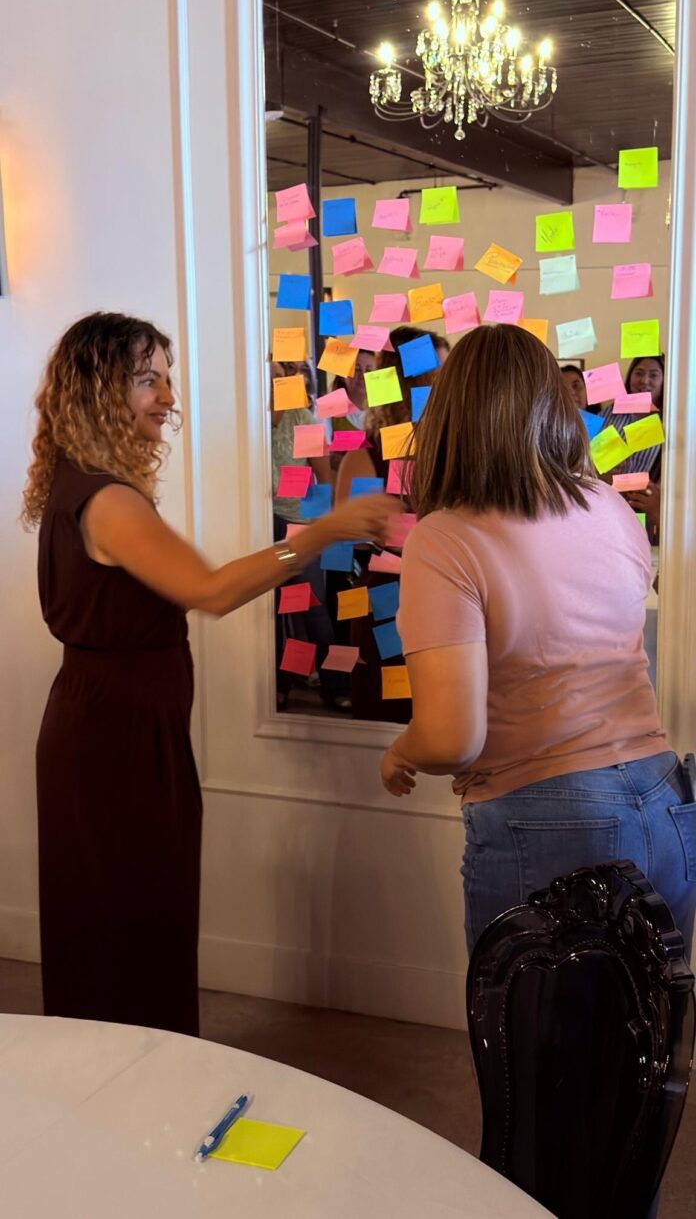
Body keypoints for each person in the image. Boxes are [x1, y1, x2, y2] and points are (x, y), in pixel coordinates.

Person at [22, 311, 394, 1036]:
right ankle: (132, 1092)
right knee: (125, 927)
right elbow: (213, 590)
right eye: (145, 379)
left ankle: (120, 1081)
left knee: (123, 923)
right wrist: (321, 532)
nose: (166, 395)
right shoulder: (106, 498)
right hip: (114, 741)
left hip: (113, 729)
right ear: (99, 389)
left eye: (167, 378)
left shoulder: (83, 486)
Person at [378, 324, 696, 962]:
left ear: (449, 417)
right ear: (556, 406)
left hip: (547, 810)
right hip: (665, 799)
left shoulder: (445, 538)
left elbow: (450, 736)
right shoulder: (609, 506)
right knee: (648, 1047)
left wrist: (402, 753)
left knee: (538, 1053)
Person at [334, 328, 448, 723]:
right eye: (441, 372)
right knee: (393, 704)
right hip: (392, 597)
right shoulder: (369, 452)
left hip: (448, 594)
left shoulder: (454, 449)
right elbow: (347, 534)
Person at [270, 360, 348, 711]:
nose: (272, 383)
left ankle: (335, 684)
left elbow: (324, 477)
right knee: (266, 613)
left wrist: (320, 530)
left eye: (277, 376)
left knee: (313, 606)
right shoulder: (244, 418)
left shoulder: (301, 417)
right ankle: (277, 685)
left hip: (297, 526)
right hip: (255, 526)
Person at [606, 355, 665, 541]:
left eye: (653, 375)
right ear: (630, 376)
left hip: (648, 511)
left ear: (664, 381)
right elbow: (587, 455)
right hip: (609, 506)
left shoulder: (672, 421)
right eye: (638, 373)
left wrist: (660, 507)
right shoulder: (611, 413)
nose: (644, 381)